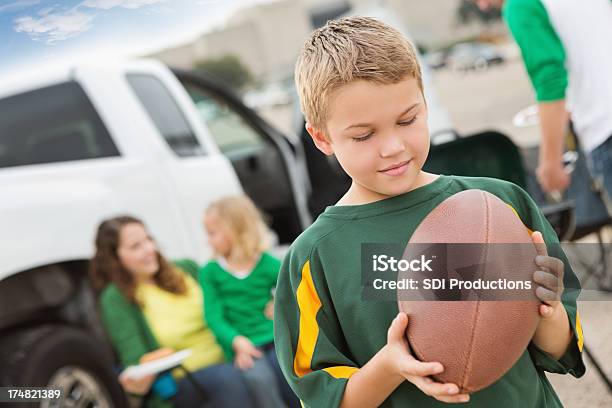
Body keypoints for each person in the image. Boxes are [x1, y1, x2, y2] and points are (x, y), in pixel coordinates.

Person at [273, 16, 585, 407]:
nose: (393, 147)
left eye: (407, 120)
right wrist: (390, 365)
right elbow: (323, 398)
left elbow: (559, 349)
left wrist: (548, 310)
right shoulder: (314, 257)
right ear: (322, 138)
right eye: (364, 135)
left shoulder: (503, 205)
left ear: (424, 102)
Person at [90, 215, 254, 408]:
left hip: (233, 355)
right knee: (228, 379)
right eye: (136, 246)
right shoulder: (116, 298)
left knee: (274, 364)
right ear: (114, 258)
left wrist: (268, 303)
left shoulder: (187, 268)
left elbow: (236, 301)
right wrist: (155, 362)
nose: (149, 249)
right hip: (185, 379)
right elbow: (135, 360)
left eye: (148, 239)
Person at [476, 0, 612, 197]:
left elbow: (551, 80)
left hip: (605, 133)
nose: (483, 5)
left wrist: (551, 162)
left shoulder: (520, 5)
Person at [199, 196, 299, 408]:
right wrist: (236, 341)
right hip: (245, 345)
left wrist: (281, 304)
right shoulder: (210, 272)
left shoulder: (267, 263)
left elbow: (296, 288)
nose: (208, 240)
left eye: (212, 233)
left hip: (275, 337)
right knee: (258, 379)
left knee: (290, 370)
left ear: (235, 230)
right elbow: (213, 316)